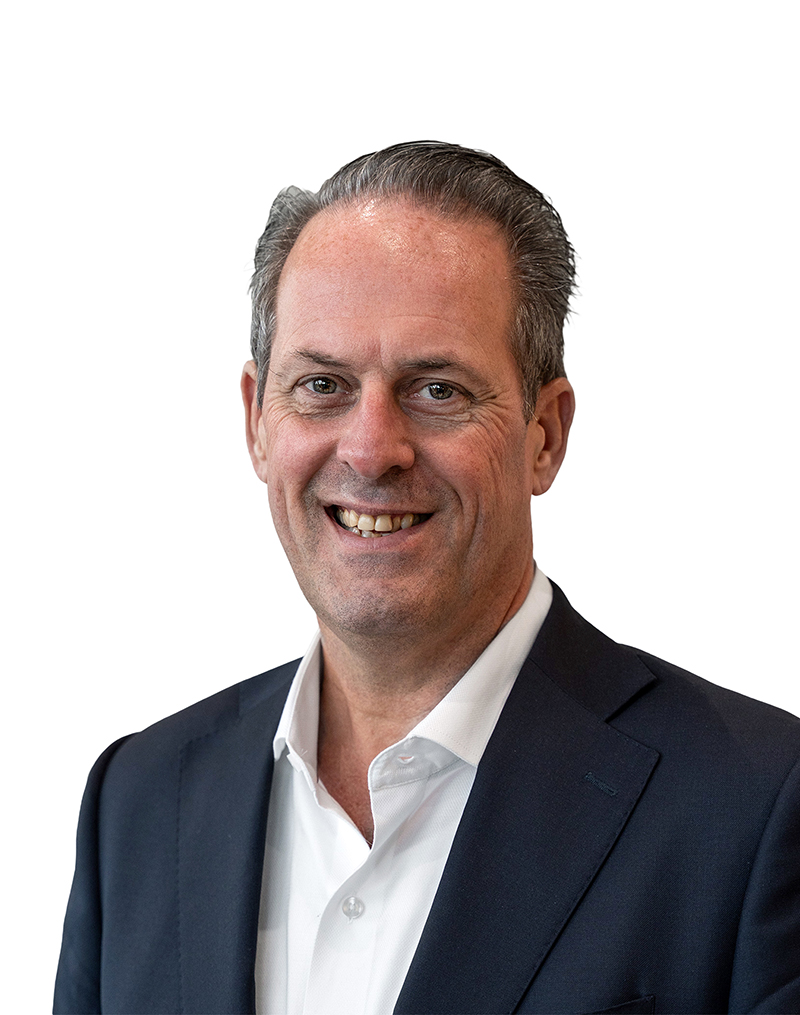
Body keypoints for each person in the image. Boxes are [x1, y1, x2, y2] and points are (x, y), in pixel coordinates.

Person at [54, 142, 800, 1015]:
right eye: (323, 384)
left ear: (545, 434)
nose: (371, 449)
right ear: (257, 422)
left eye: (437, 390)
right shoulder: (138, 804)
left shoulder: (752, 809)